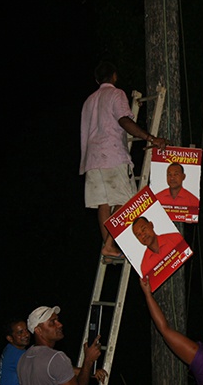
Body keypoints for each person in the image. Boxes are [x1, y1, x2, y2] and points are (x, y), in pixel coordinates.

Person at [79, 61, 169, 262]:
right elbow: (124, 121)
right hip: (112, 157)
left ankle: (108, 248)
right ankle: (110, 245)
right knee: (125, 202)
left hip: (92, 160)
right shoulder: (116, 94)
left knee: (104, 204)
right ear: (114, 76)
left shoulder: (88, 102)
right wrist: (151, 139)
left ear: (96, 80)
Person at [17, 306, 107, 385]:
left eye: (57, 320)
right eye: (52, 322)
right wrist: (88, 360)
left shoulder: (24, 359)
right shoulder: (56, 357)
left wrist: (91, 372)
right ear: (38, 330)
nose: (60, 325)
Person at [0, 318, 31, 385]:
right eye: (20, 333)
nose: (26, 334)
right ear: (10, 338)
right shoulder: (18, 355)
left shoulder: (9, 348)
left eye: (26, 330)